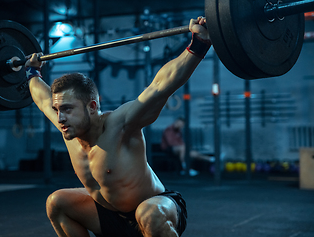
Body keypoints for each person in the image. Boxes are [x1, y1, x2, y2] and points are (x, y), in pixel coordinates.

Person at [25, 17, 210, 237]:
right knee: (56, 202)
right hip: (110, 217)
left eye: (67, 109)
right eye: (58, 110)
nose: (60, 117)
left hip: (155, 207)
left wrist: (198, 44)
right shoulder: (68, 128)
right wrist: (31, 72)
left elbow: (160, 86)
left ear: (92, 107)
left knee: (148, 214)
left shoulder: (121, 125)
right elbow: (42, 98)